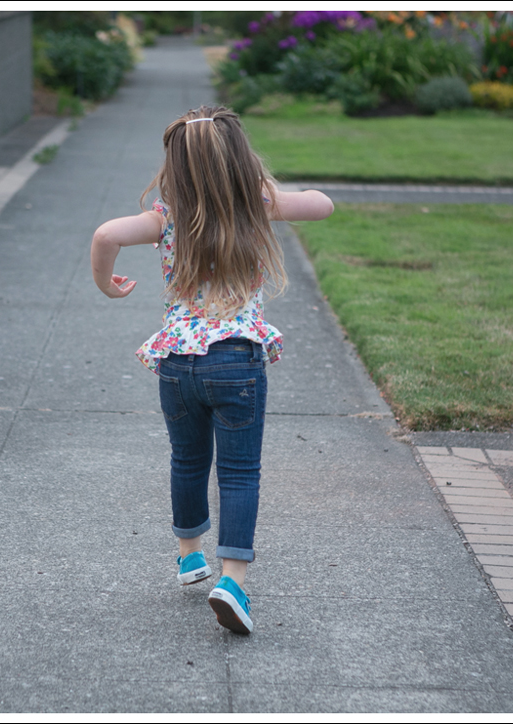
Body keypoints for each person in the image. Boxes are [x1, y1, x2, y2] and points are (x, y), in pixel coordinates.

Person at [90, 105, 333, 634]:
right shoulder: (257, 207)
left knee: (187, 460)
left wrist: (106, 284)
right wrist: (265, 190)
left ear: (174, 167)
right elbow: (323, 205)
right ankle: (232, 581)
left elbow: (107, 233)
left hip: (177, 363)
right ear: (242, 163)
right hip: (236, 361)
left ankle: (188, 556)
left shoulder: (165, 217)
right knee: (240, 472)